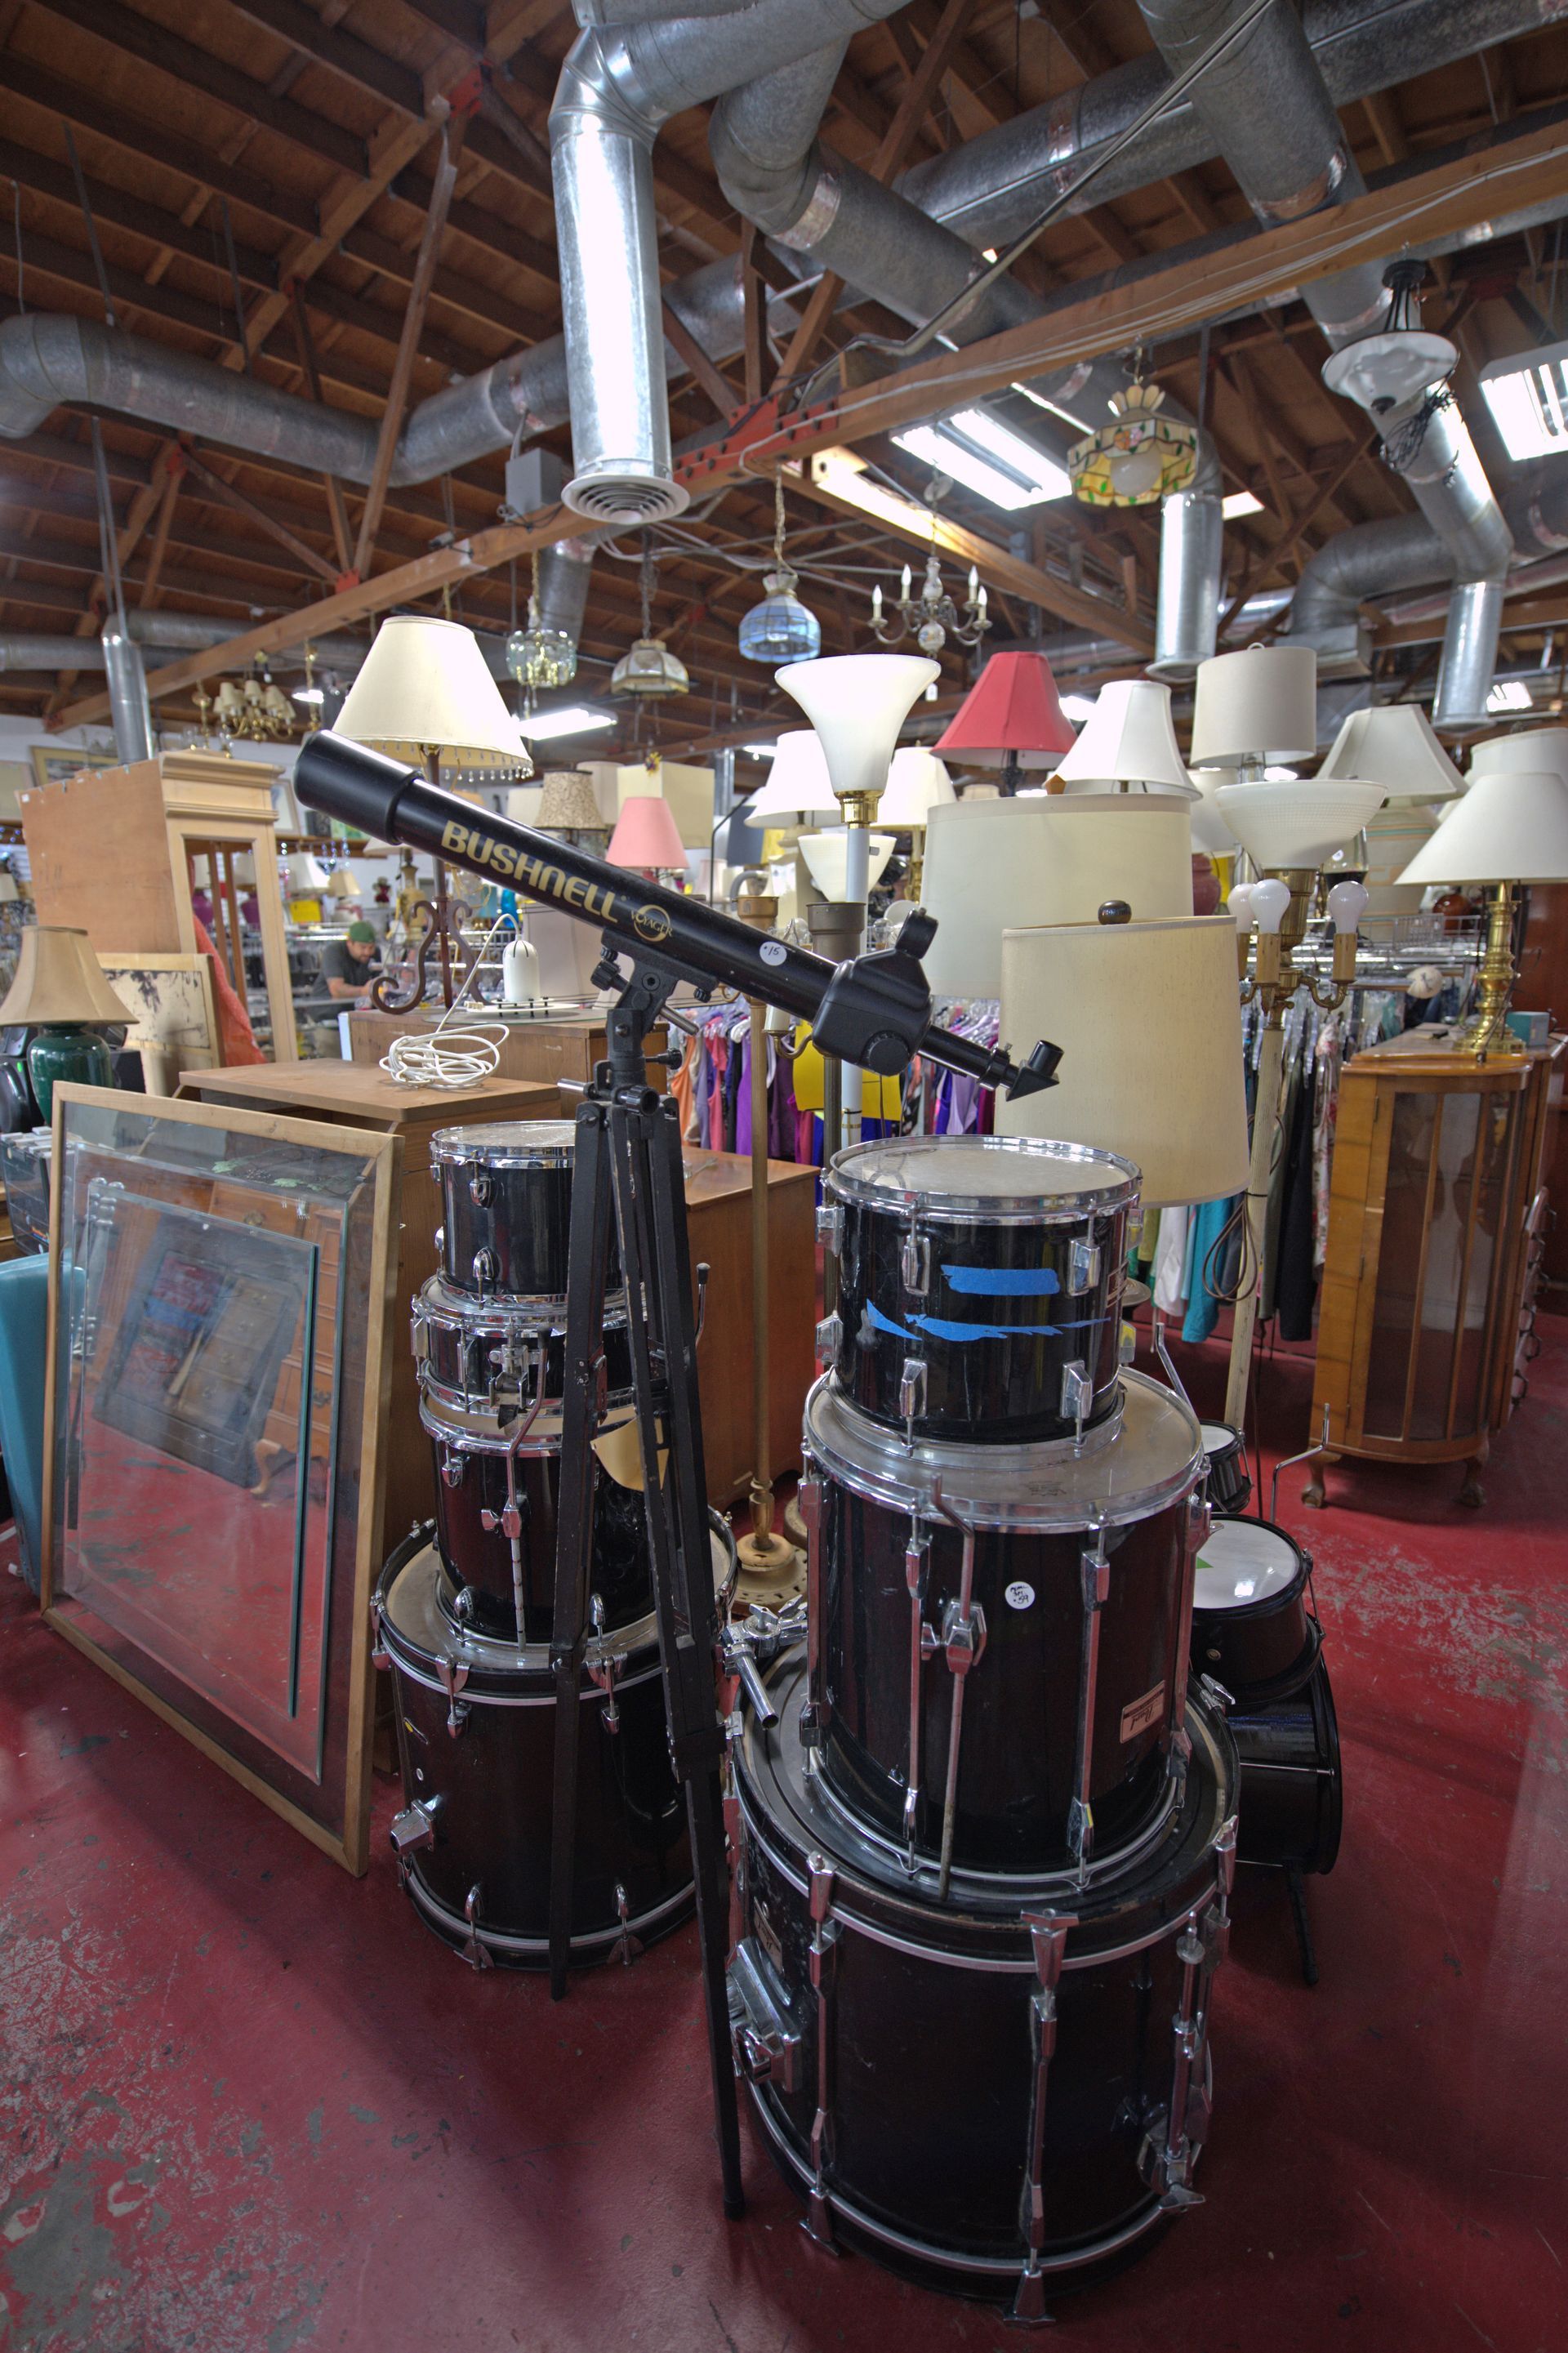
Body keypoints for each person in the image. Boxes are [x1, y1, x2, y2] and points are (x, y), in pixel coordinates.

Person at [320, 920, 381, 1002]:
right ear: (349, 942)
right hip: (327, 1008)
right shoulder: (334, 951)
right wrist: (363, 991)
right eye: (363, 947)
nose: (367, 952)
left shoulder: (375, 953)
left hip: (356, 1007)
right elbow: (336, 990)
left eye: (371, 947)